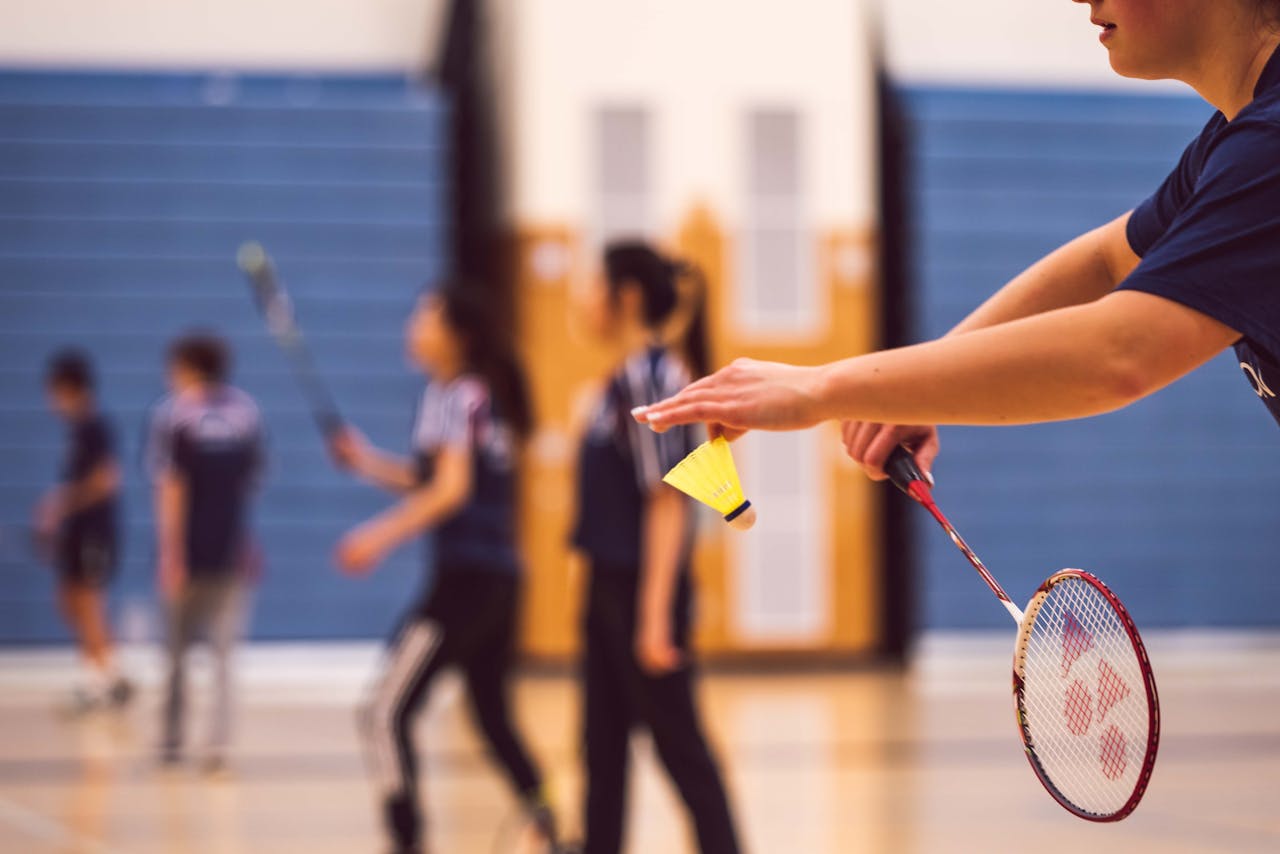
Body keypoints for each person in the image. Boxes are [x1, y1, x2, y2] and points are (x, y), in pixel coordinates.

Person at [634, 1, 1280, 479]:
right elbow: (1107, 259)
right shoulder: (1234, 141)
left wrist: (818, 388)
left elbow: (1121, 352)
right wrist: (906, 388)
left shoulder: (1270, 144)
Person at [330, 284, 560, 854]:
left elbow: (450, 491)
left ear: (456, 335)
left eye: (423, 317)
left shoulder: (455, 395)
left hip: (466, 584)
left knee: (383, 712)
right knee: (492, 717)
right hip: (501, 580)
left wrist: (376, 536)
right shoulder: (482, 396)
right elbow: (436, 478)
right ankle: (556, 831)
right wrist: (366, 463)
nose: (412, 327)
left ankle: (408, 843)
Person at [570, 241, 742, 854]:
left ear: (628, 296)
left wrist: (652, 619)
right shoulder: (620, 378)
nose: (582, 298)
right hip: (608, 588)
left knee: (681, 751)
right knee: (601, 750)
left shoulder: (652, 375)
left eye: (594, 284)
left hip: (641, 592)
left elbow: (667, 501)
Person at [146, 333, 264, 772]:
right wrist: (248, 542)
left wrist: (169, 554)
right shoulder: (246, 412)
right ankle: (219, 747)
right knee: (223, 656)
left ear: (188, 367)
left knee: (175, 654)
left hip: (191, 554)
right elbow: (248, 488)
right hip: (231, 551)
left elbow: (170, 487)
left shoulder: (174, 414)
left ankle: (173, 742)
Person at [35, 350, 133, 713]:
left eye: (53, 391)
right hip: (77, 532)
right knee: (70, 600)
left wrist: (60, 503)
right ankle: (111, 675)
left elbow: (108, 479)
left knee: (90, 603)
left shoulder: (95, 426)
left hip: (96, 532)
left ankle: (99, 684)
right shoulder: (76, 431)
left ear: (68, 388)